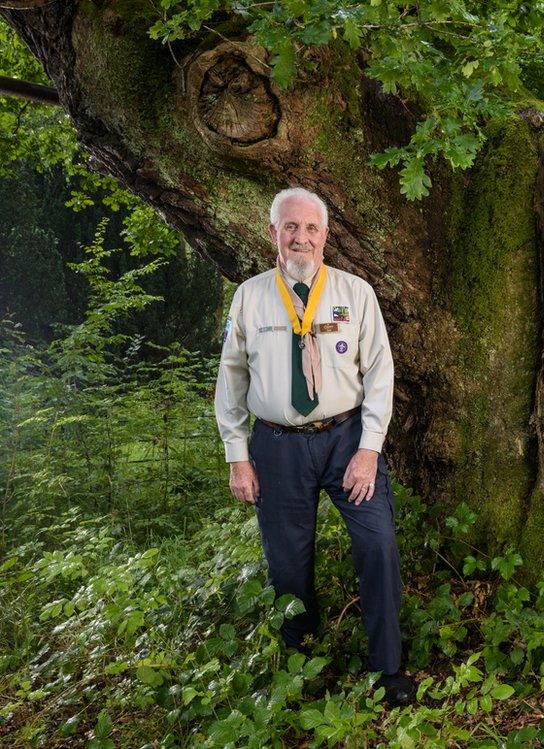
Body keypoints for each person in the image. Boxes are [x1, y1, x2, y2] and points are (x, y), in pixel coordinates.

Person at [214, 186, 416, 707]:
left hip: (349, 439)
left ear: (326, 236)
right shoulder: (250, 296)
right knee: (287, 561)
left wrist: (369, 448)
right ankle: (300, 660)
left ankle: (388, 669)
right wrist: (238, 455)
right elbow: (231, 381)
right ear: (273, 235)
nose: (300, 238)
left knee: (378, 545)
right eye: (290, 228)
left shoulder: (356, 293)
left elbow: (381, 375)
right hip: (277, 447)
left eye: (310, 228)